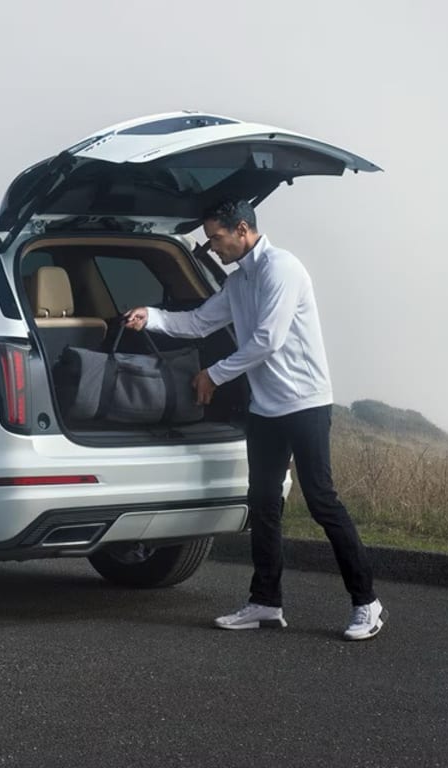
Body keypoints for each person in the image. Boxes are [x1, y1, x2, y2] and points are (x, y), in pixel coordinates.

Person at [123, 200, 384, 641]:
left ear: (241, 229)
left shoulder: (282, 269)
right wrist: (154, 317)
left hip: (305, 404)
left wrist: (213, 375)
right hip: (265, 409)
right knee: (263, 505)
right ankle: (265, 602)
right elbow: (200, 323)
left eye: (216, 238)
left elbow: (268, 339)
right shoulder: (238, 280)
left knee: (322, 502)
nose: (212, 247)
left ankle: (367, 604)